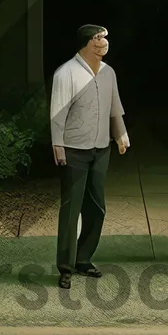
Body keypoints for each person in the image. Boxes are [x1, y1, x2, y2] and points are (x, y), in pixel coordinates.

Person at [49, 25, 129, 290]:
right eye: (97, 39)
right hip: (74, 150)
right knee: (71, 210)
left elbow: (114, 108)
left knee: (97, 207)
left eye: (105, 38)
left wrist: (121, 135)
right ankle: (65, 267)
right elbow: (57, 113)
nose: (103, 43)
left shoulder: (109, 73)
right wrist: (58, 145)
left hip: (100, 149)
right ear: (85, 43)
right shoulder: (66, 73)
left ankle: (84, 258)